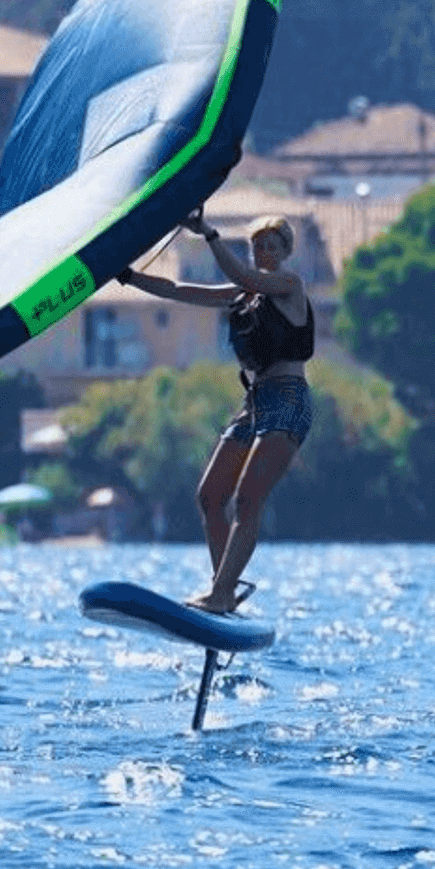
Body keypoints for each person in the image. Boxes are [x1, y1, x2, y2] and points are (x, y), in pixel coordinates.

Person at [118, 210, 313, 615]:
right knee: (210, 498)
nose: (263, 252)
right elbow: (177, 289)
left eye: (271, 246)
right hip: (254, 404)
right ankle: (225, 589)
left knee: (247, 500)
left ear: (286, 252)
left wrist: (208, 234)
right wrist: (128, 276)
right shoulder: (243, 294)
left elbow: (247, 277)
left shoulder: (288, 285)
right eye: (257, 245)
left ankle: (221, 594)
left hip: (288, 399)